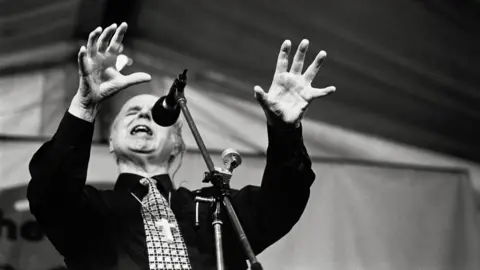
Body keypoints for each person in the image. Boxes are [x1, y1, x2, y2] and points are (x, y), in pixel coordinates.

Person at [27, 22, 336, 270]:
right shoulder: (93, 211)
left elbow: (283, 202)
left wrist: (285, 130)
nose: (145, 115)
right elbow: (49, 194)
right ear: (112, 142)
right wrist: (84, 107)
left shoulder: (215, 206)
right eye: (131, 112)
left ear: (177, 144)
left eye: (156, 115)